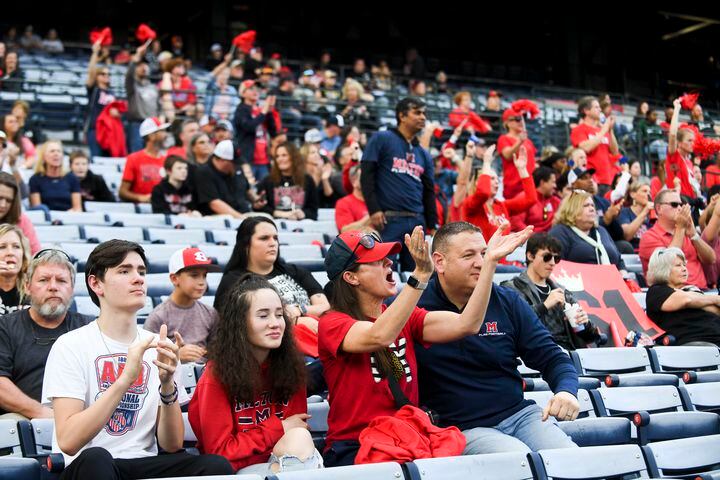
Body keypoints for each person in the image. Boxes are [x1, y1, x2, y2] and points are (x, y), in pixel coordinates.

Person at [318, 223, 532, 466]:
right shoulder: (332, 323)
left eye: (387, 258)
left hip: (408, 441)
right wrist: (420, 275)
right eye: (377, 261)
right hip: (356, 446)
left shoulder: (407, 316)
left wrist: (490, 264)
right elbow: (380, 335)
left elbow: (467, 324)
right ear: (351, 277)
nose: (389, 263)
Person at [41, 240, 234, 478]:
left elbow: (172, 445)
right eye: (124, 271)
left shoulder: (159, 345)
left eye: (141, 271)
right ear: (96, 284)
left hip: (142, 464)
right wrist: (125, 379)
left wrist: (167, 385)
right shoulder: (71, 345)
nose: (139, 278)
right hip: (86, 466)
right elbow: (69, 441)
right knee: (97, 458)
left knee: (216, 467)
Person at [415, 223, 579, 455]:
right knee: (520, 462)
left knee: (570, 458)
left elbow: (552, 358)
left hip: (520, 415)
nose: (481, 262)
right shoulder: (414, 305)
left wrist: (566, 391)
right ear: (439, 262)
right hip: (462, 427)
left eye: (484, 253)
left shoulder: (507, 301)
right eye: (468, 255)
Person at [189, 275, 322, 474]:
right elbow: (219, 455)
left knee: (299, 439)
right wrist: (278, 427)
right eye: (263, 315)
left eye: (279, 314)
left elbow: (295, 432)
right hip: (235, 472)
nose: (275, 323)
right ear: (240, 323)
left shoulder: (291, 368)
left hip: (284, 460)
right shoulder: (216, 376)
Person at [0, 249, 91, 420]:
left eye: (62, 281)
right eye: (44, 280)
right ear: (27, 287)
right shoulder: (4, 326)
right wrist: (41, 413)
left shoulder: (89, 328)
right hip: (23, 421)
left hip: (80, 420)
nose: (53, 287)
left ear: (72, 289)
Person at [214, 217, 329, 334]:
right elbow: (235, 324)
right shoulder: (233, 281)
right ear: (245, 245)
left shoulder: (297, 272)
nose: (273, 243)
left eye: (275, 238)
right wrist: (294, 321)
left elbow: (325, 307)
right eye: (264, 238)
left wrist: (298, 310)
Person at [360, 97, 437, 271]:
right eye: (417, 112)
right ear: (402, 116)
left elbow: (429, 190)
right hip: (389, 219)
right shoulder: (382, 138)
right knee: (386, 272)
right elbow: (367, 175)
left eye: (424, 113)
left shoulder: (423, 153)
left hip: (418, 221)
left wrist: (431, 224)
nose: (423, 117)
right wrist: (374, 209)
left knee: (416, 274)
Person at [503, 232, 603, 350]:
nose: (552, 263)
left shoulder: (562, 291)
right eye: (547, 257)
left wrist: (585, 324)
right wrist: (544, 306)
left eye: (556, 258)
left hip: (569, 352)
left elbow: (590, 337)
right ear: (530, 256)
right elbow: (516, 323)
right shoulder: (512, 287)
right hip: (536, 352)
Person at [144, 247, 221, 363]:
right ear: (174, 279)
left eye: (204, 276)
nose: (201, 282)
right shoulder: (159, 316)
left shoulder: (210, 313)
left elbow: (218, 352)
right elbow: (146, 359)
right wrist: (176, 355)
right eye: (194, 275)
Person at [639, 189, 715, 290]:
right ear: (659, 208)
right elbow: (666, 265)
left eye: (681, 204)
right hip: (673, 294)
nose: (679, 208)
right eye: (674, 204)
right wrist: (680, 228)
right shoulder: (649, 237)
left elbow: (711, 259)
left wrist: (694, 235)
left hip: (702, 291)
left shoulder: (687, 232)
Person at [645, 247, 720, 346]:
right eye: (678, 265)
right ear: (663, 269)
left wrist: (698, 300)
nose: (684, 269)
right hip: (694, 345)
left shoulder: (691, 289)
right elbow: (686, 300)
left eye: (684, 265)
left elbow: (716, 310)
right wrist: (715, 299)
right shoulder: (656, 291)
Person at [461, 145, 537, 241]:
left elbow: (531, 199)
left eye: (497, 179)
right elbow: (484, 192)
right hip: (482, 255)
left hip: (501, 256)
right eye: (492, 178)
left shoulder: (502, 206)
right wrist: (487, 163)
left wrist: (522, 169)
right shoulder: (471, 204)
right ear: (478, 182)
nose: (497, 181)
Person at [549, 190, 626, 271]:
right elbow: (555, 265)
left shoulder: (601, 231)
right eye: (586, 205)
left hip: (611, 281)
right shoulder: (560, 232)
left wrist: (623, 272)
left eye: (592, 205)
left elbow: (619, 260)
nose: (592, 209)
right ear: (572, 209)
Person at [194, 140, 265, 218]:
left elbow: (247, 189)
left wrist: (256, 199)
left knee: (266, 218)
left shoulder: (237, 168)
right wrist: (241, 218)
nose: (236, 165)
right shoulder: (204, 172)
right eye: (233, 162)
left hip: (244, 211)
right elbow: (214, 203)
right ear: (222, 160)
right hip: (220, 217)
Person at [257, 142, 319, 221]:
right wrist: (279, 213)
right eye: (277, 156)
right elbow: (259, 207)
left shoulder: (307, 179)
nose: (280, 159)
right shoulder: (268, 180)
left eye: (284, 155)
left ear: (293, 157)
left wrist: (303, 213)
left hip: (301, 227)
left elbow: (313, 211)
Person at [570, 96, 619, 194]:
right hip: (591, 180)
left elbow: (614, 151)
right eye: (596, 107)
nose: (600, 109)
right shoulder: (578, 129)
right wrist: (604, 129)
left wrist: (610, 130)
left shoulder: (602, 130)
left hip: (608, 179)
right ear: (586, 111)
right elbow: (586, 148)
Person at [233, 80, 278, 181]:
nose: (255, 91)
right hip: (248, 160)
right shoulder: (241, 110)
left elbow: (274, 132)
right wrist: (264, 112)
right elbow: (249, 127)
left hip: (264, 160)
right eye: (251, 89)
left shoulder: (261, 109)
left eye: (257, 89)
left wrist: (270, 111)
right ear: (243, 93)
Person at [119, 117, 169, 203]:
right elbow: (122, 192)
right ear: (151, 136)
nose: (166, 135)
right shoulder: (134, 159)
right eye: (162, 131)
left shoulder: (167, 159)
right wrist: (141, 198)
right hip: (141, 210)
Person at [29, 140, 82, 212]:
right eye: (52, 151)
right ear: (44, 157)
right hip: (46, 220)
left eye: (59, 151)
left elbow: (78, 208)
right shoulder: (35, 179)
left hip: (69, 219)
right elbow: (37, 209)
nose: (56, 154)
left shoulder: (72, 178)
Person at [125, 42, 159, 153]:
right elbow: (129, 75)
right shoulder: (132, 86)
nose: (143, 67)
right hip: (137, 124)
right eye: (139, 65)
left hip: (153, 125)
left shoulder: (154, 87)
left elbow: (160, 105)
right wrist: (137, 57)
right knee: (137, 154)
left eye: (145, 64)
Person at [498, 107, 537, 199]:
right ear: (507, 123)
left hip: (529, 184)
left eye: (521, 118)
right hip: (514, 186)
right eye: (517, 119)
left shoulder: (528, 141)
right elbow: (507, 155)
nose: (520, 121)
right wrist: (520, 141)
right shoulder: (504, 138)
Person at [85, 41, 117, 158]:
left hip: (110, 131)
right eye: (103, 74)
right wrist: (95, 53)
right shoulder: (94, 90)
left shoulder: (112, 92)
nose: (106, 76)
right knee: (97, 158)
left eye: (108, 74)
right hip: (95, 129)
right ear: (97, 76)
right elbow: (91, 72)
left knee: (110, 159)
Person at [665, 97, 700, 200]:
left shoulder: (689, 162)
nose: (692, 144)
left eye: (693, 141)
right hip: (678, 203)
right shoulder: (674, 156)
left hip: (691, 204)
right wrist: (676, 108)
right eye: (689, 141)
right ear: (679, 143)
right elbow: (672, 134)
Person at [0, 172, 40, 253]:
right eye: (0, 198)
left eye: (9, 201)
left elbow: (35, 255)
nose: (3, 205)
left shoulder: (22, 221)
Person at [512, 166, 560, 233]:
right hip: (529, 240)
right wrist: (532, 236)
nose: (555, 186)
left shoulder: (555, 200)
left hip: (551, 238)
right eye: (553, 182)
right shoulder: (524, 197)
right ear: (542, 182)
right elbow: (516, 223)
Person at [0, 224, 30, 316]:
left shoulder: (35, 288)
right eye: (2, 247)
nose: (10, 252)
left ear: (23, 255)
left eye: (16, 246)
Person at [617, 178, 654, 250]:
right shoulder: (624, 212)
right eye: (644, 191)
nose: (648, 194)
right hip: (632, 252)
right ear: (632, 194)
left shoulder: (652, 215)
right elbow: (627, 235)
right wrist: (645, 212)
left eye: (650, 192)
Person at [335, 165, 370, 233]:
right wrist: (372, 215)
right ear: (354, 181)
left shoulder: (379, 201)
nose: (369, 180)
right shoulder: (344, 203)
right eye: (364, 177)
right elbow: (345, 231)